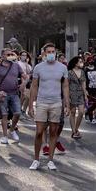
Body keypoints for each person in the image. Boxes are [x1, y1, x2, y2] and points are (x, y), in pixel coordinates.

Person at [27, 43, 68, 171]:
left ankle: (51, 160)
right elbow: (34, 86)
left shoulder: (62, 67)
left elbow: (65, 86)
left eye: (53, 51)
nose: (51, 54)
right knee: (39, 132)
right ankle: (36, 159)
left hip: (56, 102)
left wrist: (67, 103)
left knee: (53, 132)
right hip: (42, 102)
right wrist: (30, 105)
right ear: (44, 53)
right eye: (48, 52)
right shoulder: (38, 68)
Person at [0, 49, 23, 144]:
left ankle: (12, 130)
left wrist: (23, 84)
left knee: (17, 113)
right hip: (3, 94)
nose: (10, 56)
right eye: (8, 54)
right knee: (4, 115)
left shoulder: (16, 65)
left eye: (11, 54)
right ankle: (5, 136)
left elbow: (24, 75)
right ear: (2, 56)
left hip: (14, 93)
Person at [66, 55, 88, 140]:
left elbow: (83, 84)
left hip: (80, 94)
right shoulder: (70, 72)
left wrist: (85, 95)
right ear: (75, 63)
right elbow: (66, 85)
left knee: (81, 112)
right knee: (73, 112)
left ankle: (76, 129)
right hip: (72, 93)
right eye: (80, 61)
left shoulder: (82, 72)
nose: (81, 63)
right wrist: (67, 96)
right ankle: (74, 131)